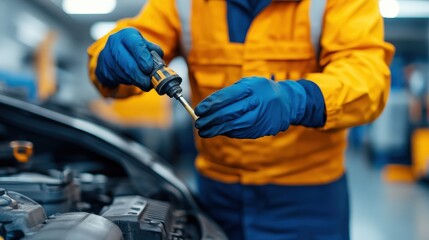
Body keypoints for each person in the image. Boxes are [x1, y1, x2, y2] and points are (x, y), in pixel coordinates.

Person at [88, 0, 394, 239]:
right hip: (216, 197)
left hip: (309, 203)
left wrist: (298, 99)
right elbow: (140, 41)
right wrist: (109, 57)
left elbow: (368, 78)